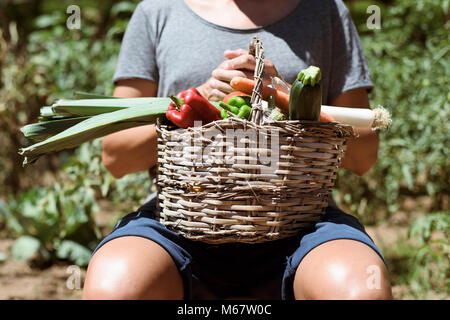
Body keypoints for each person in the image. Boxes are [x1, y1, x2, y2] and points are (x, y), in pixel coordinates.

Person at [82, 0, 393, 300]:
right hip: (177, 220)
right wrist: (198, 101)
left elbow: (363, 155)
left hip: (302, 220)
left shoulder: (325, 11)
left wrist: (289, 99)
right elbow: (116, 156)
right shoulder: (156, 12)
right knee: (114, 287)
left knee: (361, 291)